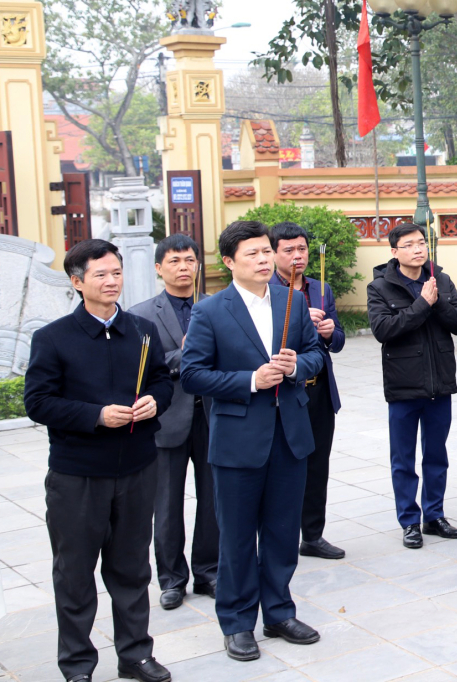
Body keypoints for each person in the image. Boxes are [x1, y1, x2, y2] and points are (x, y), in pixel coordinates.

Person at [24, 239, 174, 682]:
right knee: (74, 573)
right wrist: (96, 415)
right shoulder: (53, 338)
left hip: (137, 468)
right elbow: (38, 402)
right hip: (78, 475)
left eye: (117, 273)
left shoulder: (142, 331)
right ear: (77, 282)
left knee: (132, 568)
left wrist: (155, 401)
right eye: (101, 275)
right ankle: (77, 665)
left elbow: (162, 381)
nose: (112, 282)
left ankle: (135, 655)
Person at [181, 221, 324, 662]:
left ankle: (279, 612)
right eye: (252, 254)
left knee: (282, 532)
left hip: (289, 435)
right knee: (238, 536)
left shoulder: (291, 301)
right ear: (229, 262)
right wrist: (250, 380)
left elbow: (316, 353)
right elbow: (192, 374)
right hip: (238, 439)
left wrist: (297, 366)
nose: (263, 260)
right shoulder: (210, 311)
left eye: (266, 251)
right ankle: (237, 622)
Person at [128, 234, 218, 612]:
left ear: (198, 264)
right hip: (167, 418)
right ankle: (171, 579)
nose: (184, 267)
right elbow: (142, 369)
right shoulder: (141, 314)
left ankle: (209, 571)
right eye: (175, 261)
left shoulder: (216, 306)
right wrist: (185, 354)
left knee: (213, 499)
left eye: (189, 260)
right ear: (159, 268)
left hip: (212, 416)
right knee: (166, 505)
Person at [366, 222, 457, 549]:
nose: (417, 249)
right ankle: (409, 520)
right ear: (394, 252)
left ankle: (434, 515)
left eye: (421, 242)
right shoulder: (380, 287)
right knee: (403, 459)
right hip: (403, 385)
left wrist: (437, 301)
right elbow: (384, 330)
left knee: (437, 455)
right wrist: (422, 304)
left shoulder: (441, 280)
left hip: (440, 383)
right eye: (408, 245)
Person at [269, 221, 347, 561]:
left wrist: (329, 331)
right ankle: (279, 535)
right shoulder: (266, 290)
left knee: (317, 466)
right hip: (285, 391)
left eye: (301, 249)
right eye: (288, 250)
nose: (296, 256)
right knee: (285, 465)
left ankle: (312, 535)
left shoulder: (320, 288)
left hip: (319, 390)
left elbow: (338, 341)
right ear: (274, 254)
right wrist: (300, 321)